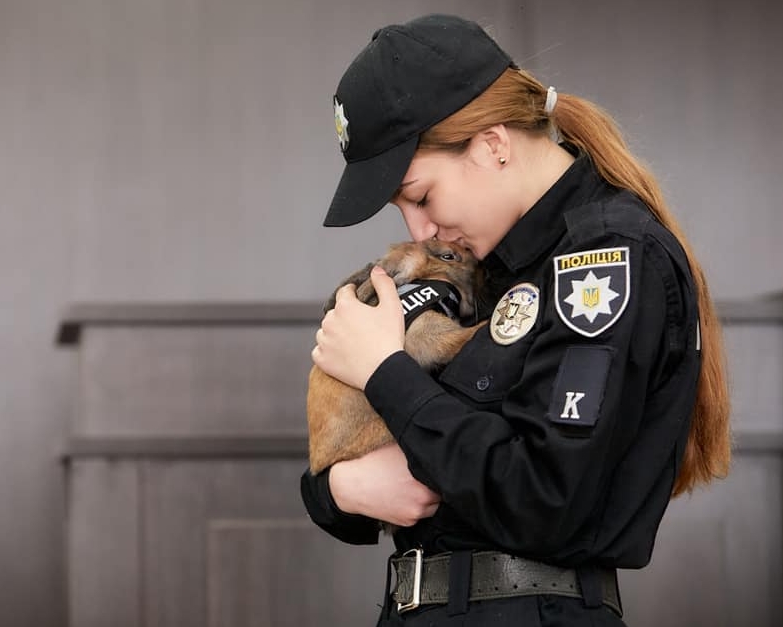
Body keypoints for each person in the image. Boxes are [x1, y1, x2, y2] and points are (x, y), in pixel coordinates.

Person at [300, 13, 731, 627]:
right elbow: (389, 452)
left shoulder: (604, 260)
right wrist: (337, 491)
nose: (420, 229)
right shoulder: (485, 267)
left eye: (420, 196)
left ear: (492, 145)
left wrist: (384, 373)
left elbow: (546, 500)